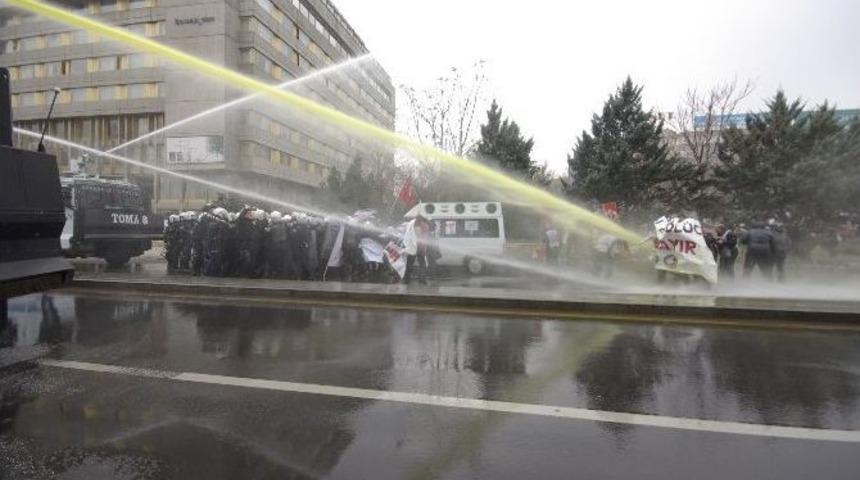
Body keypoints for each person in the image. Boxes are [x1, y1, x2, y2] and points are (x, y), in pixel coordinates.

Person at [403, 215, 430, 285]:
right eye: (418, 220)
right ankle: (408, 279)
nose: (418, 222)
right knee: (411, 264)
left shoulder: (423, 226)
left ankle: (421, 279)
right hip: (413, 247)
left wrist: (424, 247)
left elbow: (425, 238)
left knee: (421, 264)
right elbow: (408, 235)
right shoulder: (411, 225)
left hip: (419, 248)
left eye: (419, 221)